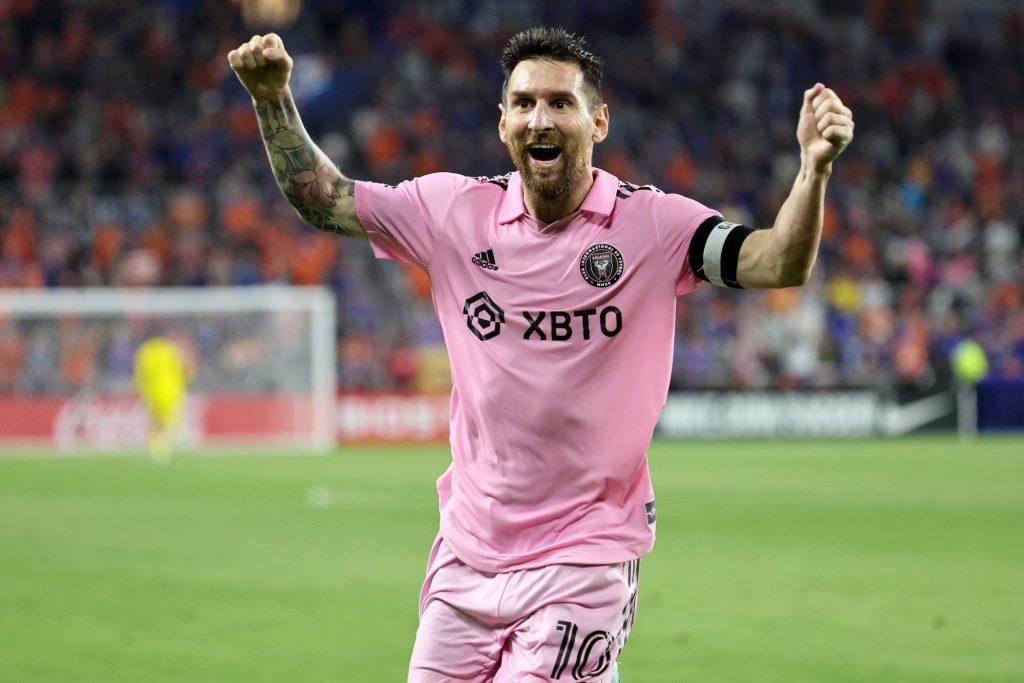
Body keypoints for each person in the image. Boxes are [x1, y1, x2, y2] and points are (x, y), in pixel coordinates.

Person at [228, 26, 853, 682]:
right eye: (524, 103)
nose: (540, 117)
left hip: (585, 556)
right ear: (503, 124)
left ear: (598, 120)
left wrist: (813, 169)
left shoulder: (655, 225)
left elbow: (777, 261)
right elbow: (323, 199)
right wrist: (272, 99)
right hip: (466, 554)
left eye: (560, 102)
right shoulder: (450, 212)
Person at [133, 335, 192, 463]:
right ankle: (168, 444)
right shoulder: (172, 349)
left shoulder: (145, 351)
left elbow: (140, 373)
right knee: (169, 419)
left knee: (157, 420)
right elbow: (185, 368)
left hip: (152, 392)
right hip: (172, 390)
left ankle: (157, 446)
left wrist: (139, 388)